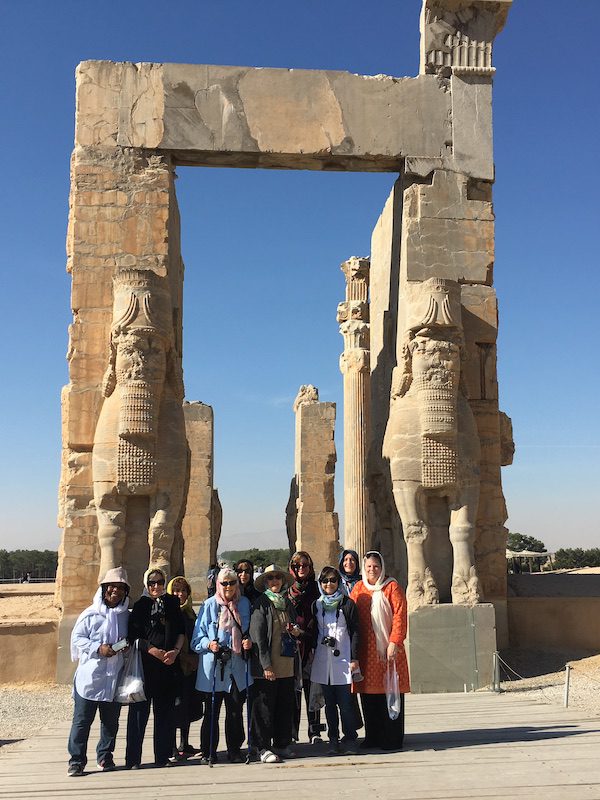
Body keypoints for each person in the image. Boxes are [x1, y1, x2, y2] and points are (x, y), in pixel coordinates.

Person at [67, 567, 130, 777]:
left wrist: (124, 646)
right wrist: (98, 648)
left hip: (114, 676)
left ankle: (105, 756)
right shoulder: (90, 614)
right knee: (82, 721)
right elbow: (77, 639)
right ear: (104, 588)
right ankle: (76, 760)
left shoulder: (125, 616)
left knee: (110, 722)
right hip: (91, 677)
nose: (116, 591)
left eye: (121, 588)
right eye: (112, 586)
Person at [191, 566, 253, 763]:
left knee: (235, 711)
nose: (228, 586)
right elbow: (196, 640)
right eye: (224, 583)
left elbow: (251, 630)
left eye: (232, 582)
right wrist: (209, 644)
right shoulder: (209, 605)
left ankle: (234, 749)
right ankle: (209, 751)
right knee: (211, 712)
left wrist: (248, 641)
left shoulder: (244, 604)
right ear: (218, 584)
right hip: (214, 667)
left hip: (236, 665)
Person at [125, 567, 185, 769]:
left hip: (168, 665)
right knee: (139, 714)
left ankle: (162, 756)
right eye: (152, 583)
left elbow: (180, 631)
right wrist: (153, 650)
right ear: (146, 584)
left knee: (165, 714)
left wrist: (175, 651)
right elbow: (134, 636)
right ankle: (133, 759)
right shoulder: (140, 605)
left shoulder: (171, 602)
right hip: (145, 666)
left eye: (160, 582)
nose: (156, 586)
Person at [350, 551, 410, 751]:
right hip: (366, 652)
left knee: (391, 693)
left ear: (382, 567)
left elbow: (400, 616)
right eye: (368, 567)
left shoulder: (392, 587)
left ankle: (392, 739)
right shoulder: (359, 588)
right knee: (369, 697)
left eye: (376, 566)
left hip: (389, 651)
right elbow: (350, 616)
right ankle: (372, 737)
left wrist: (394, 641)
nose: (372, 570)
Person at [249, 564, 300, 763]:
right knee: (264, 707)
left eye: (278, 578)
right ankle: (262, 747)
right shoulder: (261, 603)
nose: (275, 581)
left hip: (286, 664)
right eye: (271, 578)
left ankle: (282, 743)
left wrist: (297, 631)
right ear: (266, 583)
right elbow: (258, 638)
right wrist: (266, 665)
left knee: (284, 706)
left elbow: (295, 628)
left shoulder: (287, 603)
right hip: (268, 667)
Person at [310, 566, 360, 754]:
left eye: (332, 580)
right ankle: (333, 738)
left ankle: (350, 738)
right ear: (320, 584)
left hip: (343, 659)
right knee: (329, 705)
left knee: (345, 703)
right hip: (324, 659)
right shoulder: (317, 605)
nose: (329, 584)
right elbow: (315, 630)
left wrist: (355, 657)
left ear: (338, 582)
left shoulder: (347, 604)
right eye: (325, 581)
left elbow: (355, 632)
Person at [287, 550, 322, 744]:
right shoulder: (287, 590)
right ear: (291, 568)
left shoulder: (317, 589)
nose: (301, 569)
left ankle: (314, 731)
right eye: (297, 566)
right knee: (293, 691)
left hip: (311, 644)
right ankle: (292, 732)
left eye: (305, 566)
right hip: (292, 647)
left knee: (312, 689)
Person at [167, 576, 203, 759]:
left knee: (188, 703)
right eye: (176, 590)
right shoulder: (168, 612)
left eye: (183, 590)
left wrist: (194, 658)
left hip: (189, 667)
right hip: (174, 666)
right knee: (176, 704)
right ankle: (172, 746)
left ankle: (184, 743)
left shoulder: (190, 613)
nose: (179, 594)